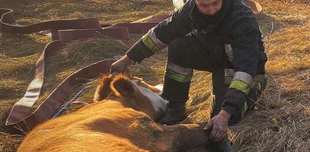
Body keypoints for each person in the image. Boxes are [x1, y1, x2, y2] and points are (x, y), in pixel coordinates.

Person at [111, 0, 267, 142]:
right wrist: (127, 59)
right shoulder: (191, 11)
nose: (211, 10)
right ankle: (175, 107)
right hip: (216, 55)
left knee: (223, 119)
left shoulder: (242, 18)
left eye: (215, 3)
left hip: (243, 69)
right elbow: (161, 33)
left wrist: (226, 113)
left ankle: (253, 92)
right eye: (204, 5)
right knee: (179, 46)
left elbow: (245, 69)